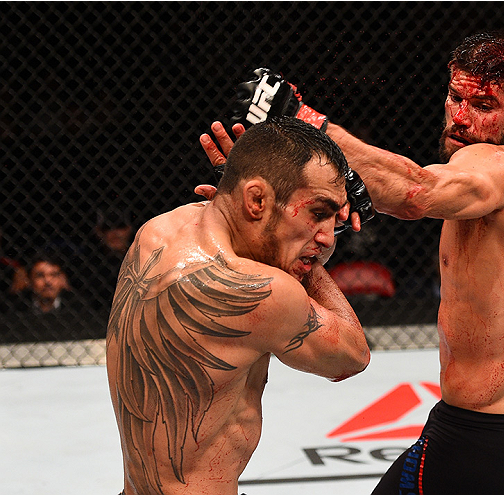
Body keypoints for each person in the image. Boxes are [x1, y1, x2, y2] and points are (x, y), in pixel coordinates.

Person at [201, 31, 504, 494]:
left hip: (479, 442)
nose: (461, 117)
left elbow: (415, 193)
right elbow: (399, 190)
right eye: (455, 97)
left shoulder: (500, 167)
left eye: (484, 105)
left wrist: (304, 121)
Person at [107, 117, 370, 495]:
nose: (329, 238)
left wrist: (245, 193)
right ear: (256, 200)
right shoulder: (260, 290)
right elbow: (352, 356)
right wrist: (308, 262)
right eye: (318, 213)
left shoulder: (157, 231)